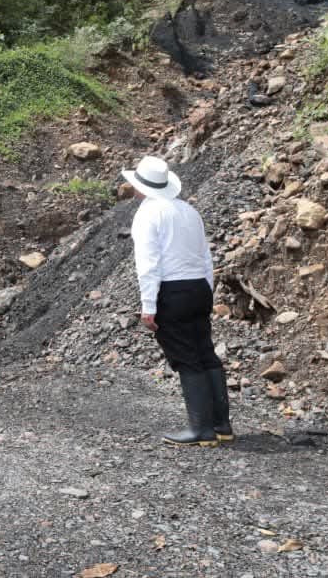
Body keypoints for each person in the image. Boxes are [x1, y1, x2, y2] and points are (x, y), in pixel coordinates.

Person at [123, 156, 233, 447]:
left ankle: (201, 429)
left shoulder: (147, 214)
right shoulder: (189, 211)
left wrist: (148, 306)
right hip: (199, 288)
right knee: (206, 352)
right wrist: (207, 291)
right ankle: (222, 424)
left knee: (187, 357)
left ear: (140, 187)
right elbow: (206, 257)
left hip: (172, 290)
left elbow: (148, 264)